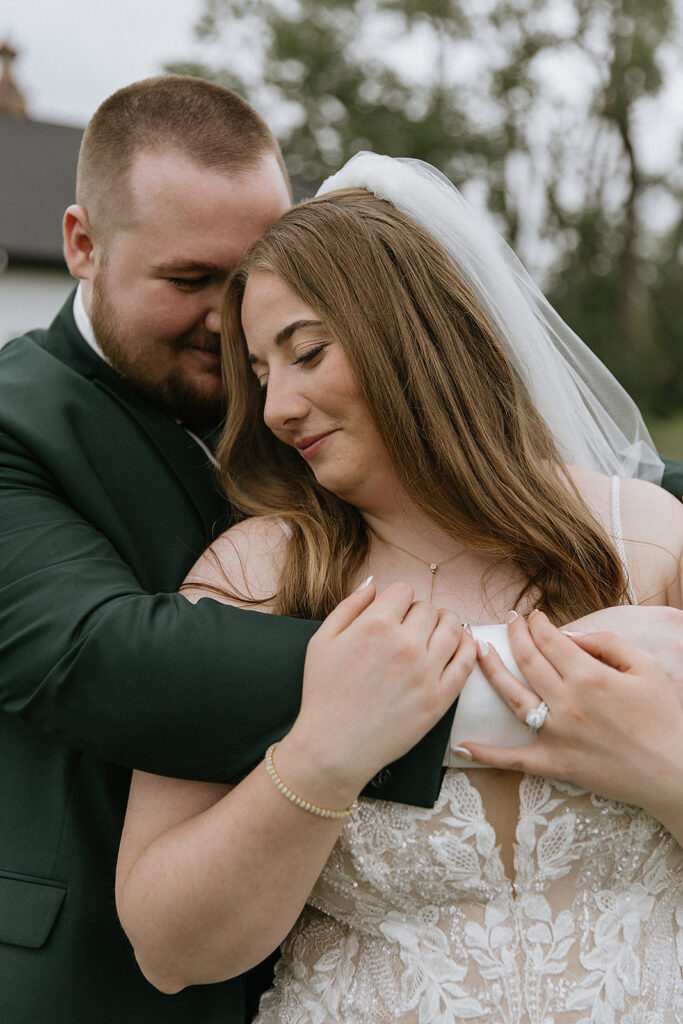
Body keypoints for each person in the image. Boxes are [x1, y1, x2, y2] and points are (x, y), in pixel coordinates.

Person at [116, 153, 683, 1021]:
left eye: (305, 352)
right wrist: (323, 757)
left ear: (413, 331)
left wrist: (664, 767)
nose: (276, 411)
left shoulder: (647, 538)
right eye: (262, 375)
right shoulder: (250, 582)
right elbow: (168, 950)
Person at [0, 85, 477, 1024]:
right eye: (188, 280)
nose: (230, 318)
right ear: (81, 244)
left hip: (338, 961)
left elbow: (504, 464)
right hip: (97, 980)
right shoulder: (15, 425)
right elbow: (99, 656)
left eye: (248, 275)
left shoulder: (299, 391)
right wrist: (486, 681)